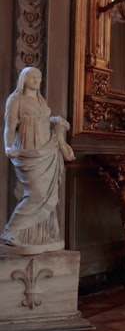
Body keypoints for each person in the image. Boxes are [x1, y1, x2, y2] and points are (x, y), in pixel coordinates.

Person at [2, 66, 75, 253]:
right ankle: (12, 231)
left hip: (47, 149)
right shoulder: (15, 100)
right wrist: (8, 147)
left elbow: (43, 121)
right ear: (24, 79)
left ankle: (39, 236)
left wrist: (55, 124)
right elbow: (10, 125)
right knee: (37, 194)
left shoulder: (40, 100)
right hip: (28, 152)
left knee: (48, 195)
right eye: (32, 77)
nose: (36, 81)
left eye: (39, 77)